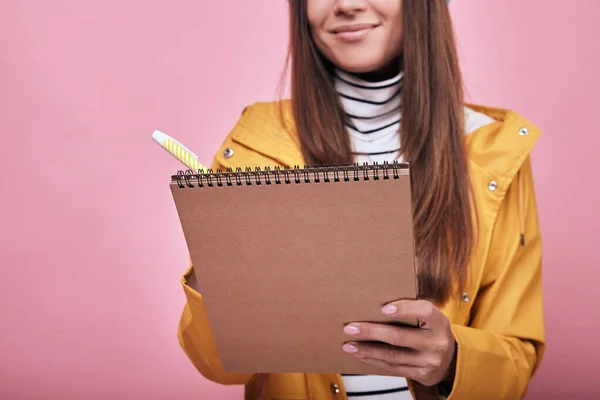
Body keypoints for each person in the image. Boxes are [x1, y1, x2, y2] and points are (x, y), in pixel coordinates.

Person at [176, 1, 546, 399]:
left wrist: (453, 361)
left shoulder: (495, 153)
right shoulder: (253, 145)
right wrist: (214, 270)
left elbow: (516, 362)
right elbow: (217, 366)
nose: (347, 4)